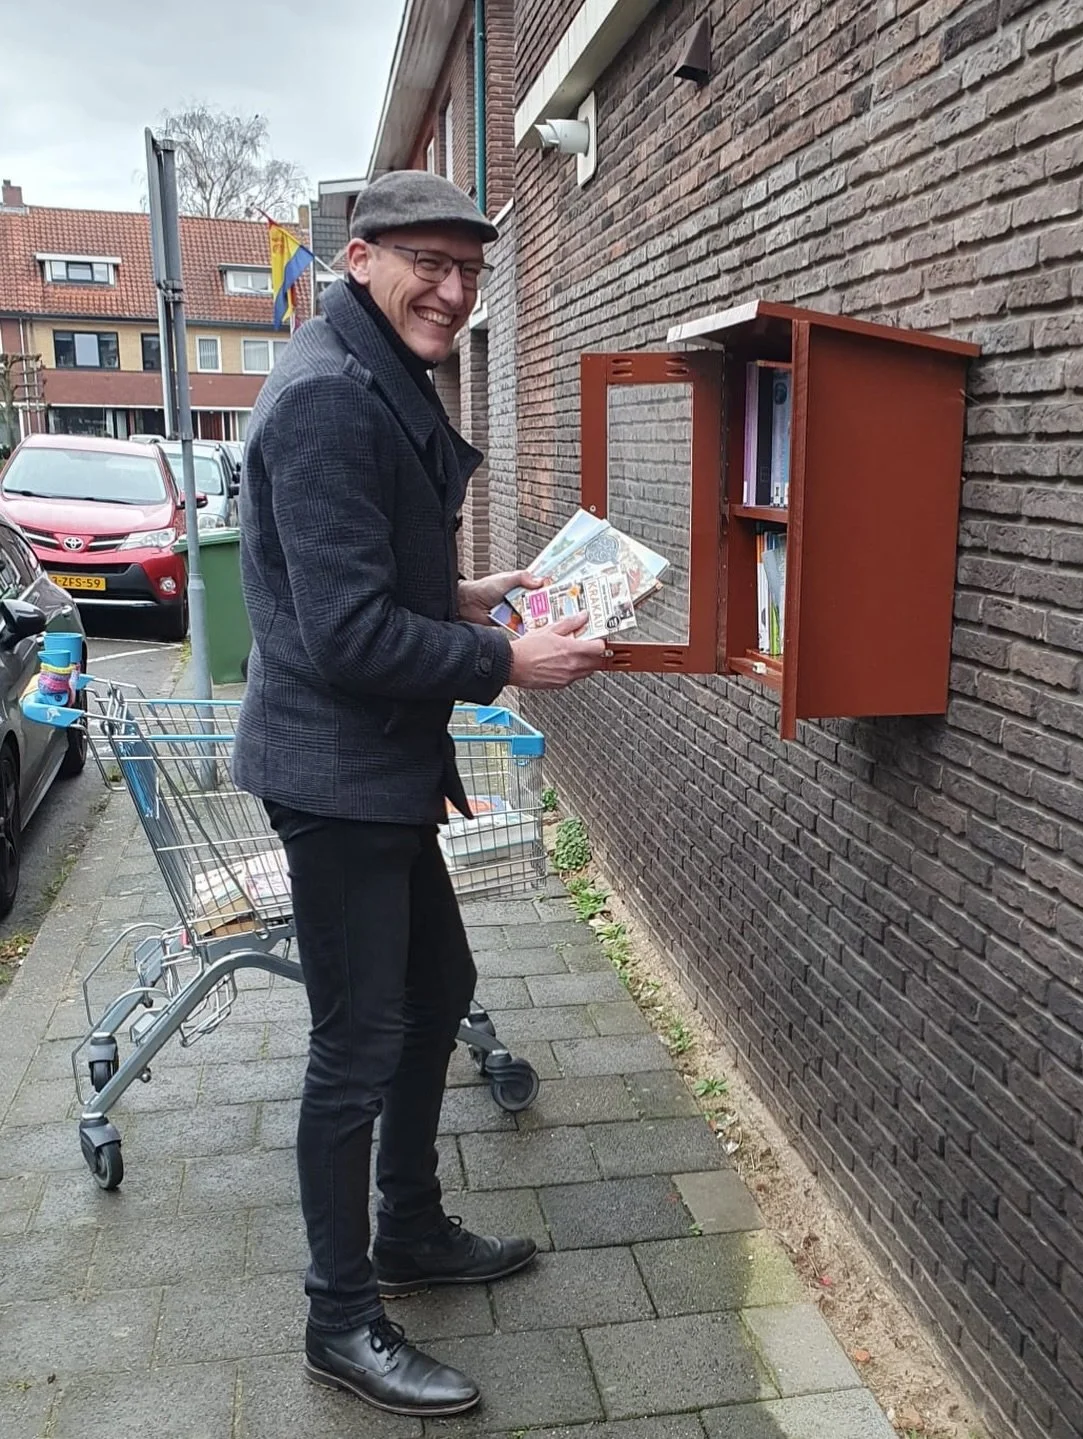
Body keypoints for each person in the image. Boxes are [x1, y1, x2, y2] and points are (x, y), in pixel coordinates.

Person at [232, 170, 607, 1418]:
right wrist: (508, 659)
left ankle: (408, 1226)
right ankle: (339, 1318)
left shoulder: (368, 368)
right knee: (354, 1044)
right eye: (428, 263)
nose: (454, 290)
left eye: (471, 269)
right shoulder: (334, 397)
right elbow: (342, 634)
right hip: (337, 776)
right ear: (359, 256)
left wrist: (472, 594)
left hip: (379, 768)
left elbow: (361, 582)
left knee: (437, 989)